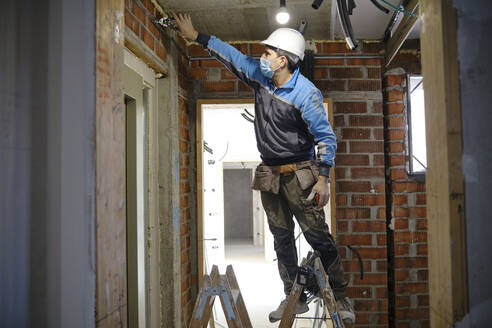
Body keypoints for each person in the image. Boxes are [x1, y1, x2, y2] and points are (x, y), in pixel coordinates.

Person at [172, 13, 355, 324]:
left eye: (268, 52)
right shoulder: (260, 76)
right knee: (281, 237)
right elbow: (232, 57)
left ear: (282, 60)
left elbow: (325, 138)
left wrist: (323, 179)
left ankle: (339, 295)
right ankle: (291, 297)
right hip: (270, 174)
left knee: (318, 237)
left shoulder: (305, 93)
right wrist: (196, 36)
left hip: (301, 174)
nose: (262, 56)